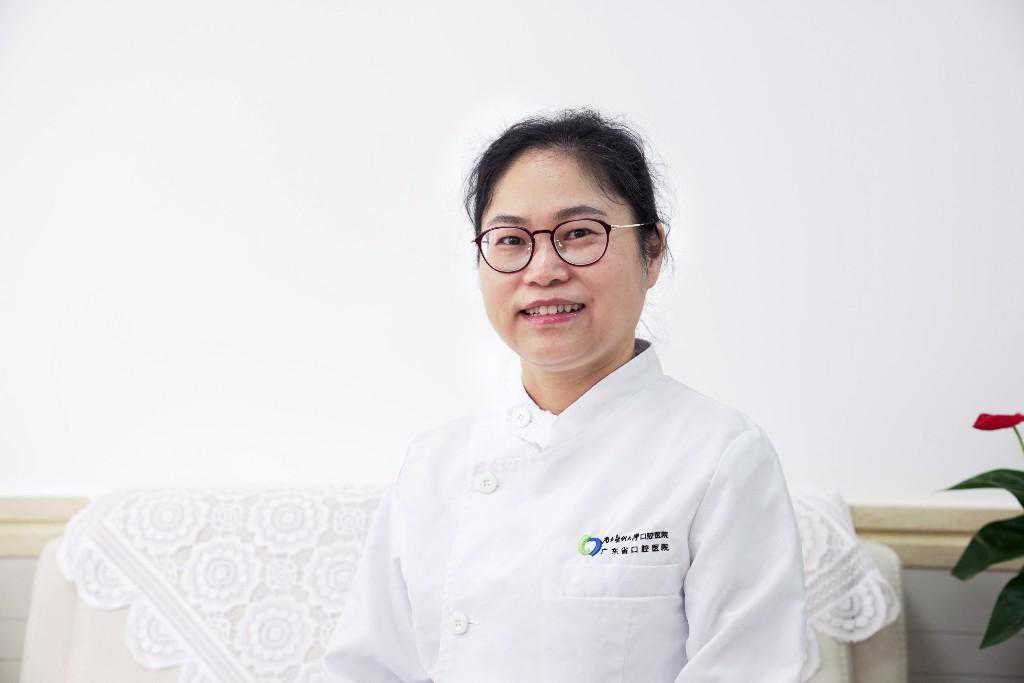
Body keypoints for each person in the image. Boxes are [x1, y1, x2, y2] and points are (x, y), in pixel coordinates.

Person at [323, 108, 807, 682]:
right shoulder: (434, 464)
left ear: (651, 252)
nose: (544, 269)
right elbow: (367, 669)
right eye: (511, 240)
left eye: (579, 234)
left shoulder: (719, 455)